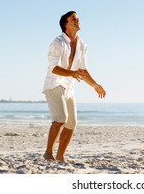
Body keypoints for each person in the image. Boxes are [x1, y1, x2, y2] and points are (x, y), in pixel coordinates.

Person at [42, 11, 106, 162]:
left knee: (72, 123)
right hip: (54, 85)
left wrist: (95, 85)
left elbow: (82, 71)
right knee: (61, 118)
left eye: (78, 18)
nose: (78, 21)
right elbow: (54, 68)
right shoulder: (57, 43)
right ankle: (48, 153)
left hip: (69, 87)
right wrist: (71, 73)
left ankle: (60, 156)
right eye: (73, 19)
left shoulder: (82, 45)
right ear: (66, 24)